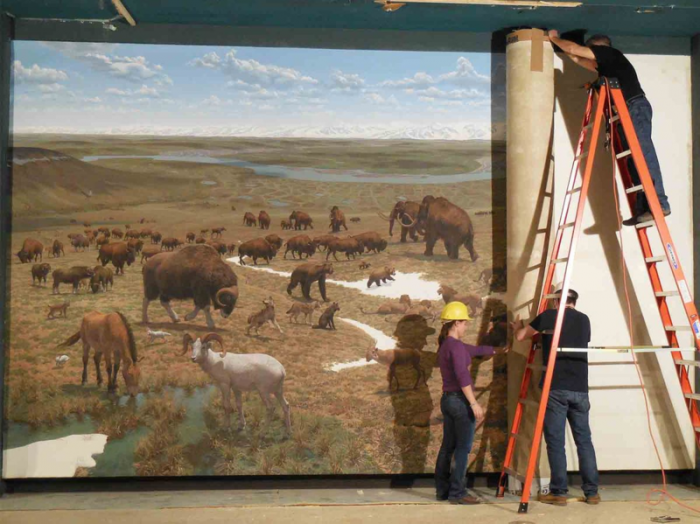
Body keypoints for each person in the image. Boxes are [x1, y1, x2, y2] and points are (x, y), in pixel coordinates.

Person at [547, 30, 671, 226]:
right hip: (625, 112)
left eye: (590, 49)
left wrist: (553, 38)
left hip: (634, 107)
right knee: (632, 161)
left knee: (643, 153)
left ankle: (660, 204)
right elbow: (576, 57)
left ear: (598, 47)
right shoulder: (607, 66)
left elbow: (573, 49)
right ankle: (645, 208)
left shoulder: (612, 54)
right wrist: (565, 48)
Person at [511, 288, 600, 506]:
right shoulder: (584, 320)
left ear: (556, 302)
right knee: (584, 442)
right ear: (574, 302)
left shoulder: (550, 316)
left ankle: (559, 493)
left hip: (556, 388)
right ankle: (592, 493)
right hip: (580, 389)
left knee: (556, 442)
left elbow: (522, 337)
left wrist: (518, 327)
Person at [435, 301, 509, 505]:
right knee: (463, 449)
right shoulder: (455, 346)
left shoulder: (446, 345)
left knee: (447, 447)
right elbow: (463, 376)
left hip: (447, 400)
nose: (467, 326)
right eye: (465, 322)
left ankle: (442, 491)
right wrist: (474, 403)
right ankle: (458, 493)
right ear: (456, 323)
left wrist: (499, 350)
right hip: (460, 401)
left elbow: (477, 350)